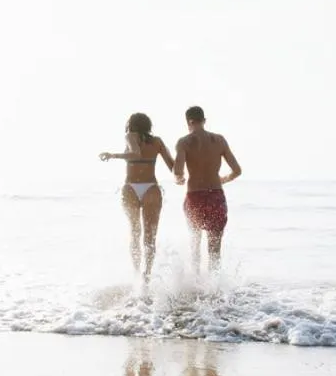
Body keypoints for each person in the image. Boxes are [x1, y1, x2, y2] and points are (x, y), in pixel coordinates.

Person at [99, 112, 175, 284]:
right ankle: (146, 276)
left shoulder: (130, 135)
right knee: (150, 236)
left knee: (135, 233)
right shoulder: (157, 141)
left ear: (131, 125)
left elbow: (136, 154)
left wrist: (113, 155)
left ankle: (136, 275)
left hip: (131, 188)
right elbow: (173, 166)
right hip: (151, 188)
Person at [173, 105, 242, 272]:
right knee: (215, 248)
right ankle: (214, 289)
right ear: (204, 120)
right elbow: (237, 171)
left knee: (195, 244)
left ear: (188, 122)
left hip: (194, 196)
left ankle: (196, 287)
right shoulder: (219, 140)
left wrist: (180, 179)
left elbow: (178, 171)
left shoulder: (184, 142)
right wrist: (222, 180)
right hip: (216, 196)